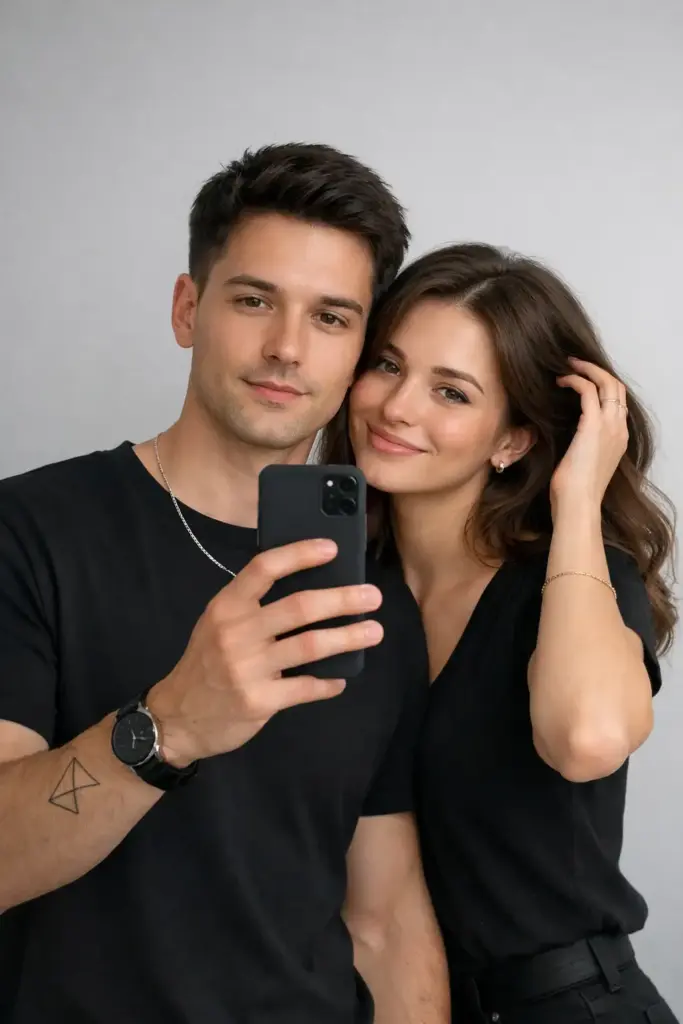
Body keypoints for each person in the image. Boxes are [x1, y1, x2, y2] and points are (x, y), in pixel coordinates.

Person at [0, 143, 450, 1024]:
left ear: (360, 352)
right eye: (253, 300)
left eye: (330, 318)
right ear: (187, 308)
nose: (286, 348)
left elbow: (386, 920)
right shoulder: (29, 531)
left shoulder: (371, 599)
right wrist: (168, 726)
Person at [335, 242, 679, 1023]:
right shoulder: (344, 590)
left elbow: (586, 739)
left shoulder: (575, 583)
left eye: (450, 392)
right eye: (387, 365)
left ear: (512, 440)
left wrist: (576, 501)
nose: (397, 407)